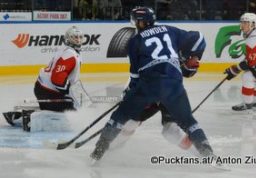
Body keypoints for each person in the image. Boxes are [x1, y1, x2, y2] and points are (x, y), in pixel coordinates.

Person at [90, 7, 214, 162]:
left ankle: (101, 150)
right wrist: (193, 57)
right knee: (173, 130)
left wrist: (129, 94)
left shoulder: (135, 41)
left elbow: (135, 76)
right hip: (171, 86)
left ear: (140, 22)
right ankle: (207, 155)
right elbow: (199, 38)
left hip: (148, 86)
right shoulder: (170, 30)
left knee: (126, 120)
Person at [3, 26, 84, 132]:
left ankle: (24, 116)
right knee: (72, 115)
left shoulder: (69, 51)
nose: (78, 40)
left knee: (72, 110)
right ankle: (24, 118)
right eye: (74, 37)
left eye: (79, 37)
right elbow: (57, 79)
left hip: (45, 88)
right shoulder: (70, 55)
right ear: (68, 38)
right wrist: (70, 92)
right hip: (48, 91)